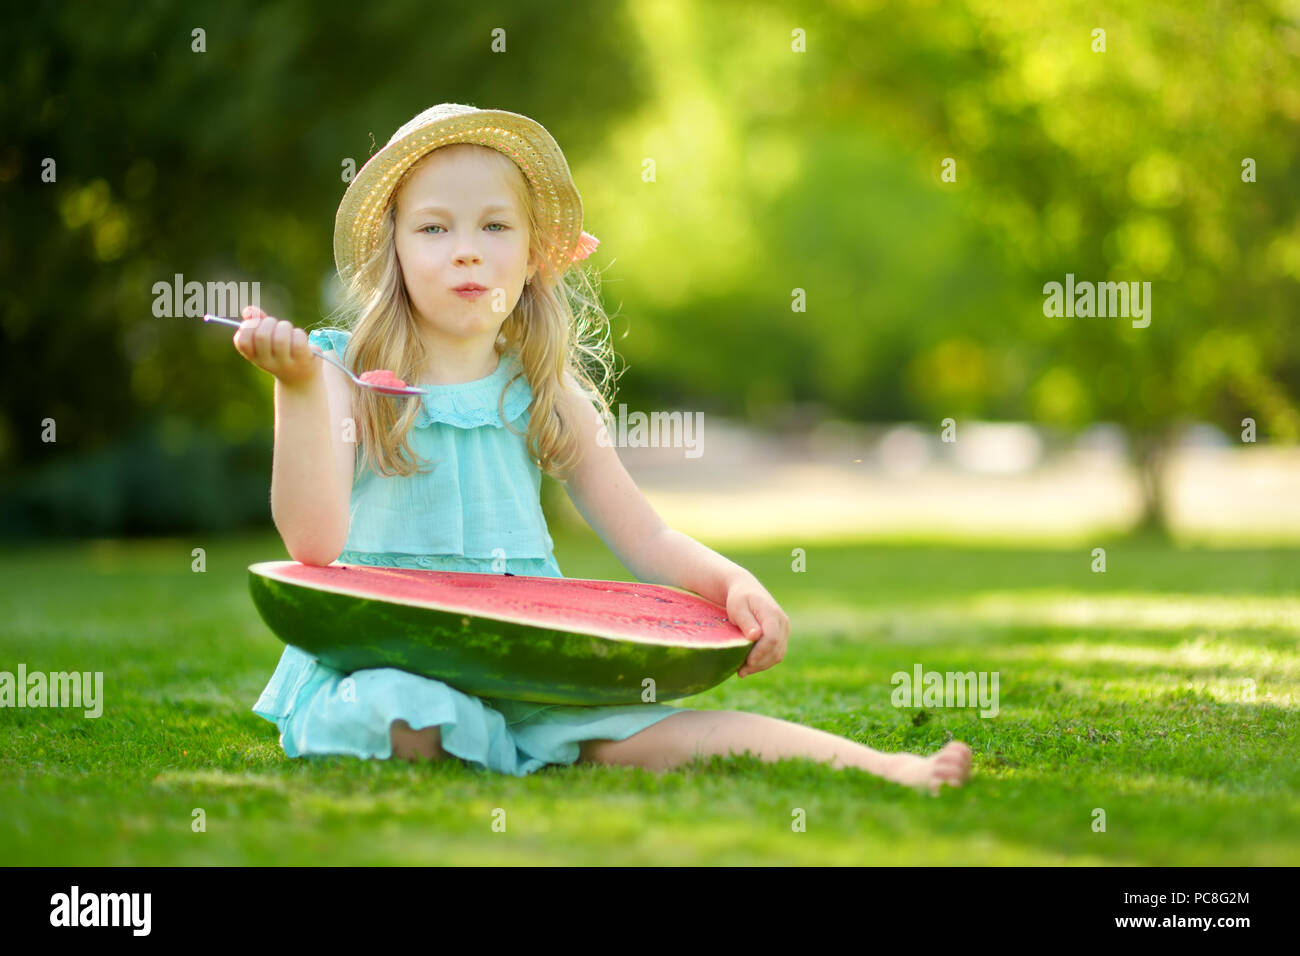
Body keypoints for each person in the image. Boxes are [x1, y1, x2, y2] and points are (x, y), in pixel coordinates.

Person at [234, 103, 972, 795]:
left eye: (494, 227)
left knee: (657, 738)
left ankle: (888, 766)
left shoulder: (548, 396)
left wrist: (730, 585)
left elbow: (645, 535)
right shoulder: (338, 376)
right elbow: (313, 542)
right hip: (388, 653)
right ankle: (477, 738)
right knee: (403, 714)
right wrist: (296, 389)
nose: (465, 253)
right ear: (393, 247)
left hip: (524, 655)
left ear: (532, 258)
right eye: (433, 229)